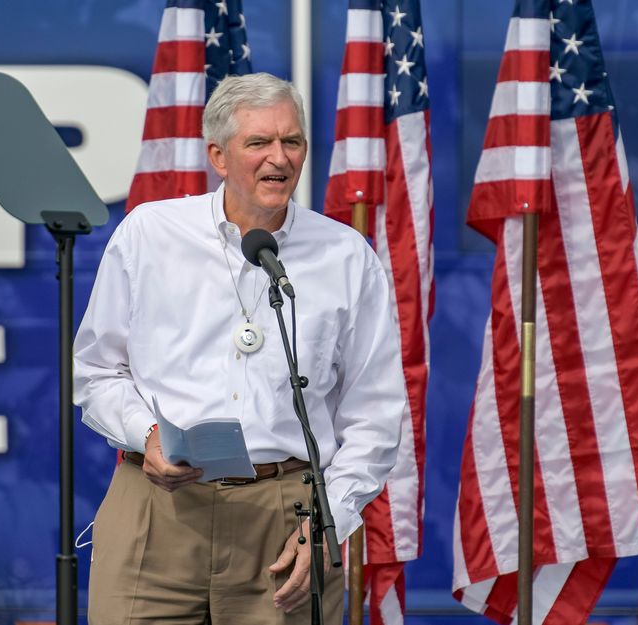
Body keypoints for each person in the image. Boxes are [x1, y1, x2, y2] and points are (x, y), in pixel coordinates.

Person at [74, 72, 407, 625]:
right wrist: (147, 434)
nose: (279, 157)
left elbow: (375, 416)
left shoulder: (347, 257)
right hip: (157, 510)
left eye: (292, 141)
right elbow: (95, 373)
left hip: (284, 522)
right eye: (258, 143)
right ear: (219, 156)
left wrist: (330, 520)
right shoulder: (150, 234)